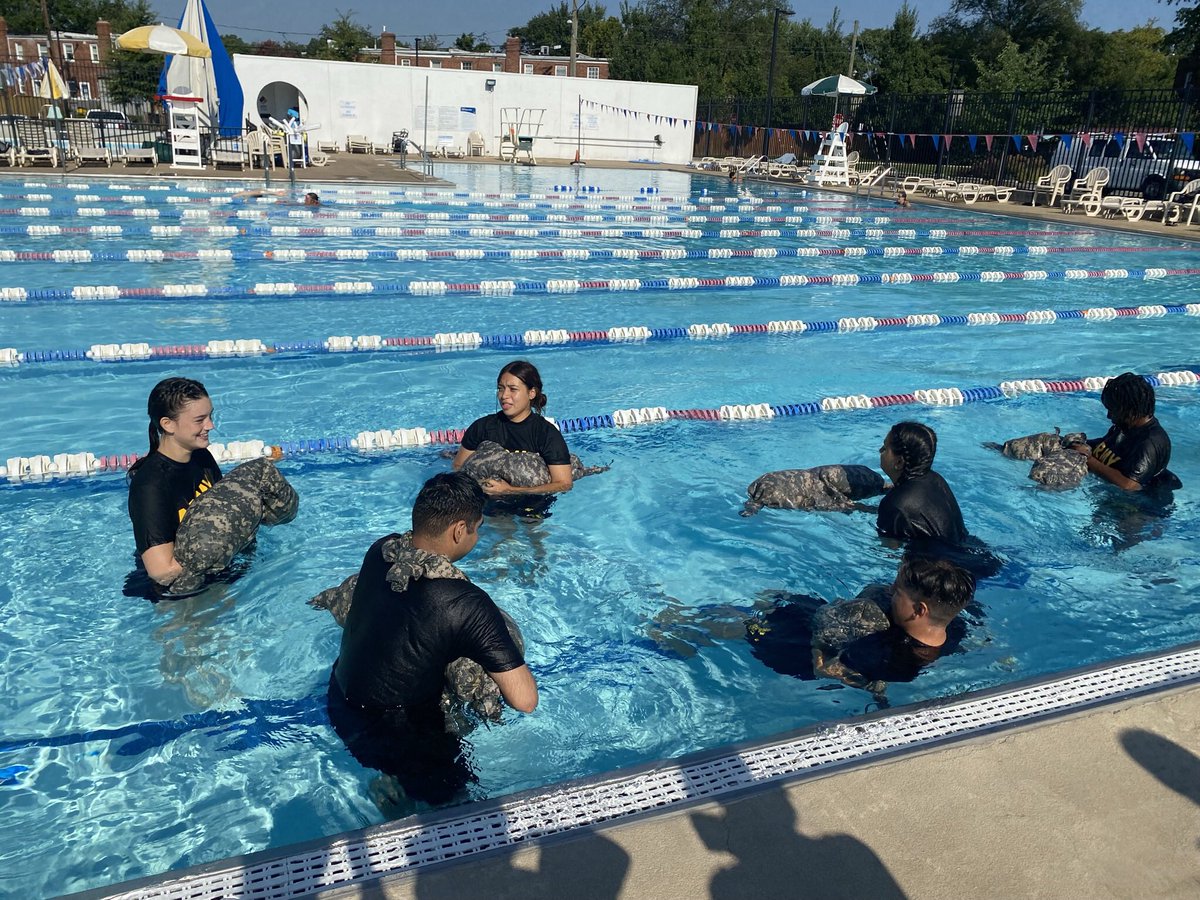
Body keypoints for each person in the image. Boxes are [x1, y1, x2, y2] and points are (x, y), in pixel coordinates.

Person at [328, 472, 538, 806]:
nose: (477, 534)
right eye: (477, 527)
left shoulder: (380, 550)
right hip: (401, 736)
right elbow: (525, 700)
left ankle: (390, 779)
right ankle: (401, 784)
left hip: (341, 704)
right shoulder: (464, 603)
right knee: (458, 807)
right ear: (459, 530)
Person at [746, 554, 975, 703]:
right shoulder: (956, 628)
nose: (889, 591)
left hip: (798, 645)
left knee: (743, 621)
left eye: (896, 592)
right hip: (834, 627)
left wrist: (819, 641)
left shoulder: (879, 651)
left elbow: (825, 670)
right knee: (774, 599)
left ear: (919, 611)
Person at [127, 377, 221, 588]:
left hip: (212, 573)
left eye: (210, 416)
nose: (210, 425)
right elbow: (162, 572)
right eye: (200, 420)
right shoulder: (149, 486)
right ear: (168, 424)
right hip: (175, 594)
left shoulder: (202, 458)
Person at [452, 360, 574, 497]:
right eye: (500, 388)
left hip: (533, 501)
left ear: (531, 393)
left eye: (513, 389)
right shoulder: (482, 427)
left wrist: (510, 490)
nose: (504, 396)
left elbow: (564, 483)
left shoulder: (546, 433)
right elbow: (458, 467)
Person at [1068, 372, 1177, 492]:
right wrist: (1076, 444)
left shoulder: (1150, 442)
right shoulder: (1126, 426)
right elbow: (1104, 446)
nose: (1109, 416)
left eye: (1112, 411)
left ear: (1130, 411)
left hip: (1137, 508)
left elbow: (1129, 485)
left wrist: (1088, 459)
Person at [876, 421, 966, 544]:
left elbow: (890, 551)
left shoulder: (894, 505)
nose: (880, 450)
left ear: (899, 463)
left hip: (936, 562)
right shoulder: (936, 479)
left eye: (885, 448)